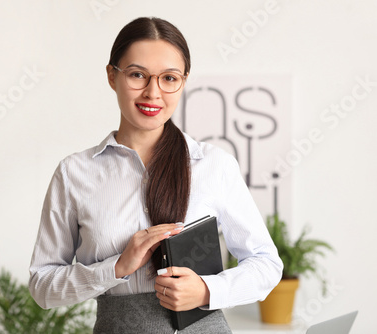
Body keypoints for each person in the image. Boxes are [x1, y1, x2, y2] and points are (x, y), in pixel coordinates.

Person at [29, 17, 283, 334]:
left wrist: (207, 290)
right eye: (138, 75)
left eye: (169, 78)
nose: (153, 92)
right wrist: (116, 268)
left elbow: (266, 263)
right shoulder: (74, 173)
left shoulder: (214, 164)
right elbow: (42, 286)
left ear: (183, 81)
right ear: (112, 76)